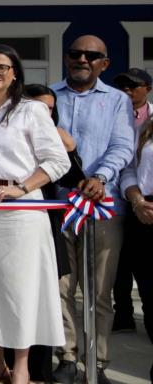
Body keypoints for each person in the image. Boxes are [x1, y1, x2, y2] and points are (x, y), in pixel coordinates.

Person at [0, 45, 70, 384]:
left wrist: (21, 187)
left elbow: (58, 162)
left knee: (19, 290)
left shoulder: (31, 111)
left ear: (15, 73)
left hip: (20, 211)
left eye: (2, 67)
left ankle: (21, 366)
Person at [50, 35, 134, 384]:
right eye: (75, 53)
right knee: (59, 289)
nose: (82, 59)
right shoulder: (48, 97)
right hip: (58, 205)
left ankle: (96, 363)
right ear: (67, 58)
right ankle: (67, 356)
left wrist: (100, 176)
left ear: (104, 63)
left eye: (91, 55)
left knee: (100, 293)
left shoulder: (117, 101)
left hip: (102, 206)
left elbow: (123, 145)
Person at [112, 67, 153, 333]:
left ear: (147, 88)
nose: (128, 90)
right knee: (123, 261)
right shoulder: (117, 115)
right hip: (131, 200)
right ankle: (124, 313)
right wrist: (137, 200)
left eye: (133, 85)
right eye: (123, 85)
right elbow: (129, 167)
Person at [118, 111, 153, 384]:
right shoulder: (146, 130)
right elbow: (129, 169)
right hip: (144, 212)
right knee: (149, 294)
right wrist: (138, 201)